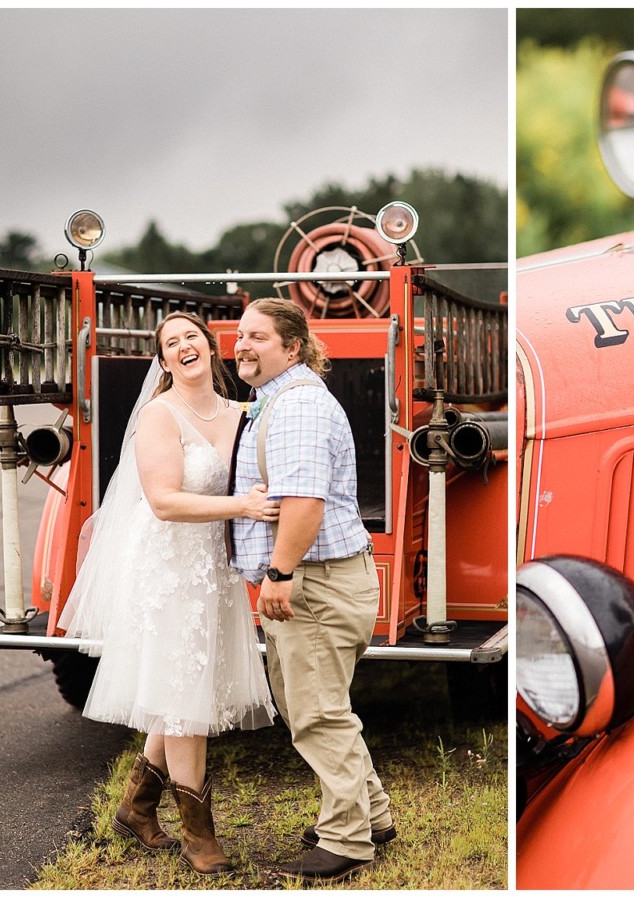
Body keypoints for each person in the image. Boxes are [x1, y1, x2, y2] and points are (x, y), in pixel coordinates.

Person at [58, 311, 278, 876]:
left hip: (215, 567)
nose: (184, 346)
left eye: (192, 337)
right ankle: (199, 838)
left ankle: (136, 806)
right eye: (171, 342)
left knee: (187, 688)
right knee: (186, 701)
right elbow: (165, 501)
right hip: (169, 568)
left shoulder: (242, 413)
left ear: (211, 346)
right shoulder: (160, 415)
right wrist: (244, 506)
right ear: (163, 361)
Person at [230, 298, 393, 884]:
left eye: (258, 337)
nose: (242, 345)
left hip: (316, 585)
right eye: (241, 334)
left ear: (292, 347)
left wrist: (280, 573)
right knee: (325, 707)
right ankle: (372, 816)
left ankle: (346, 839)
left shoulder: (296, 405)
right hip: (326, 580)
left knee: (317, 715)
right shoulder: (278, 399)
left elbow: (303, 500)